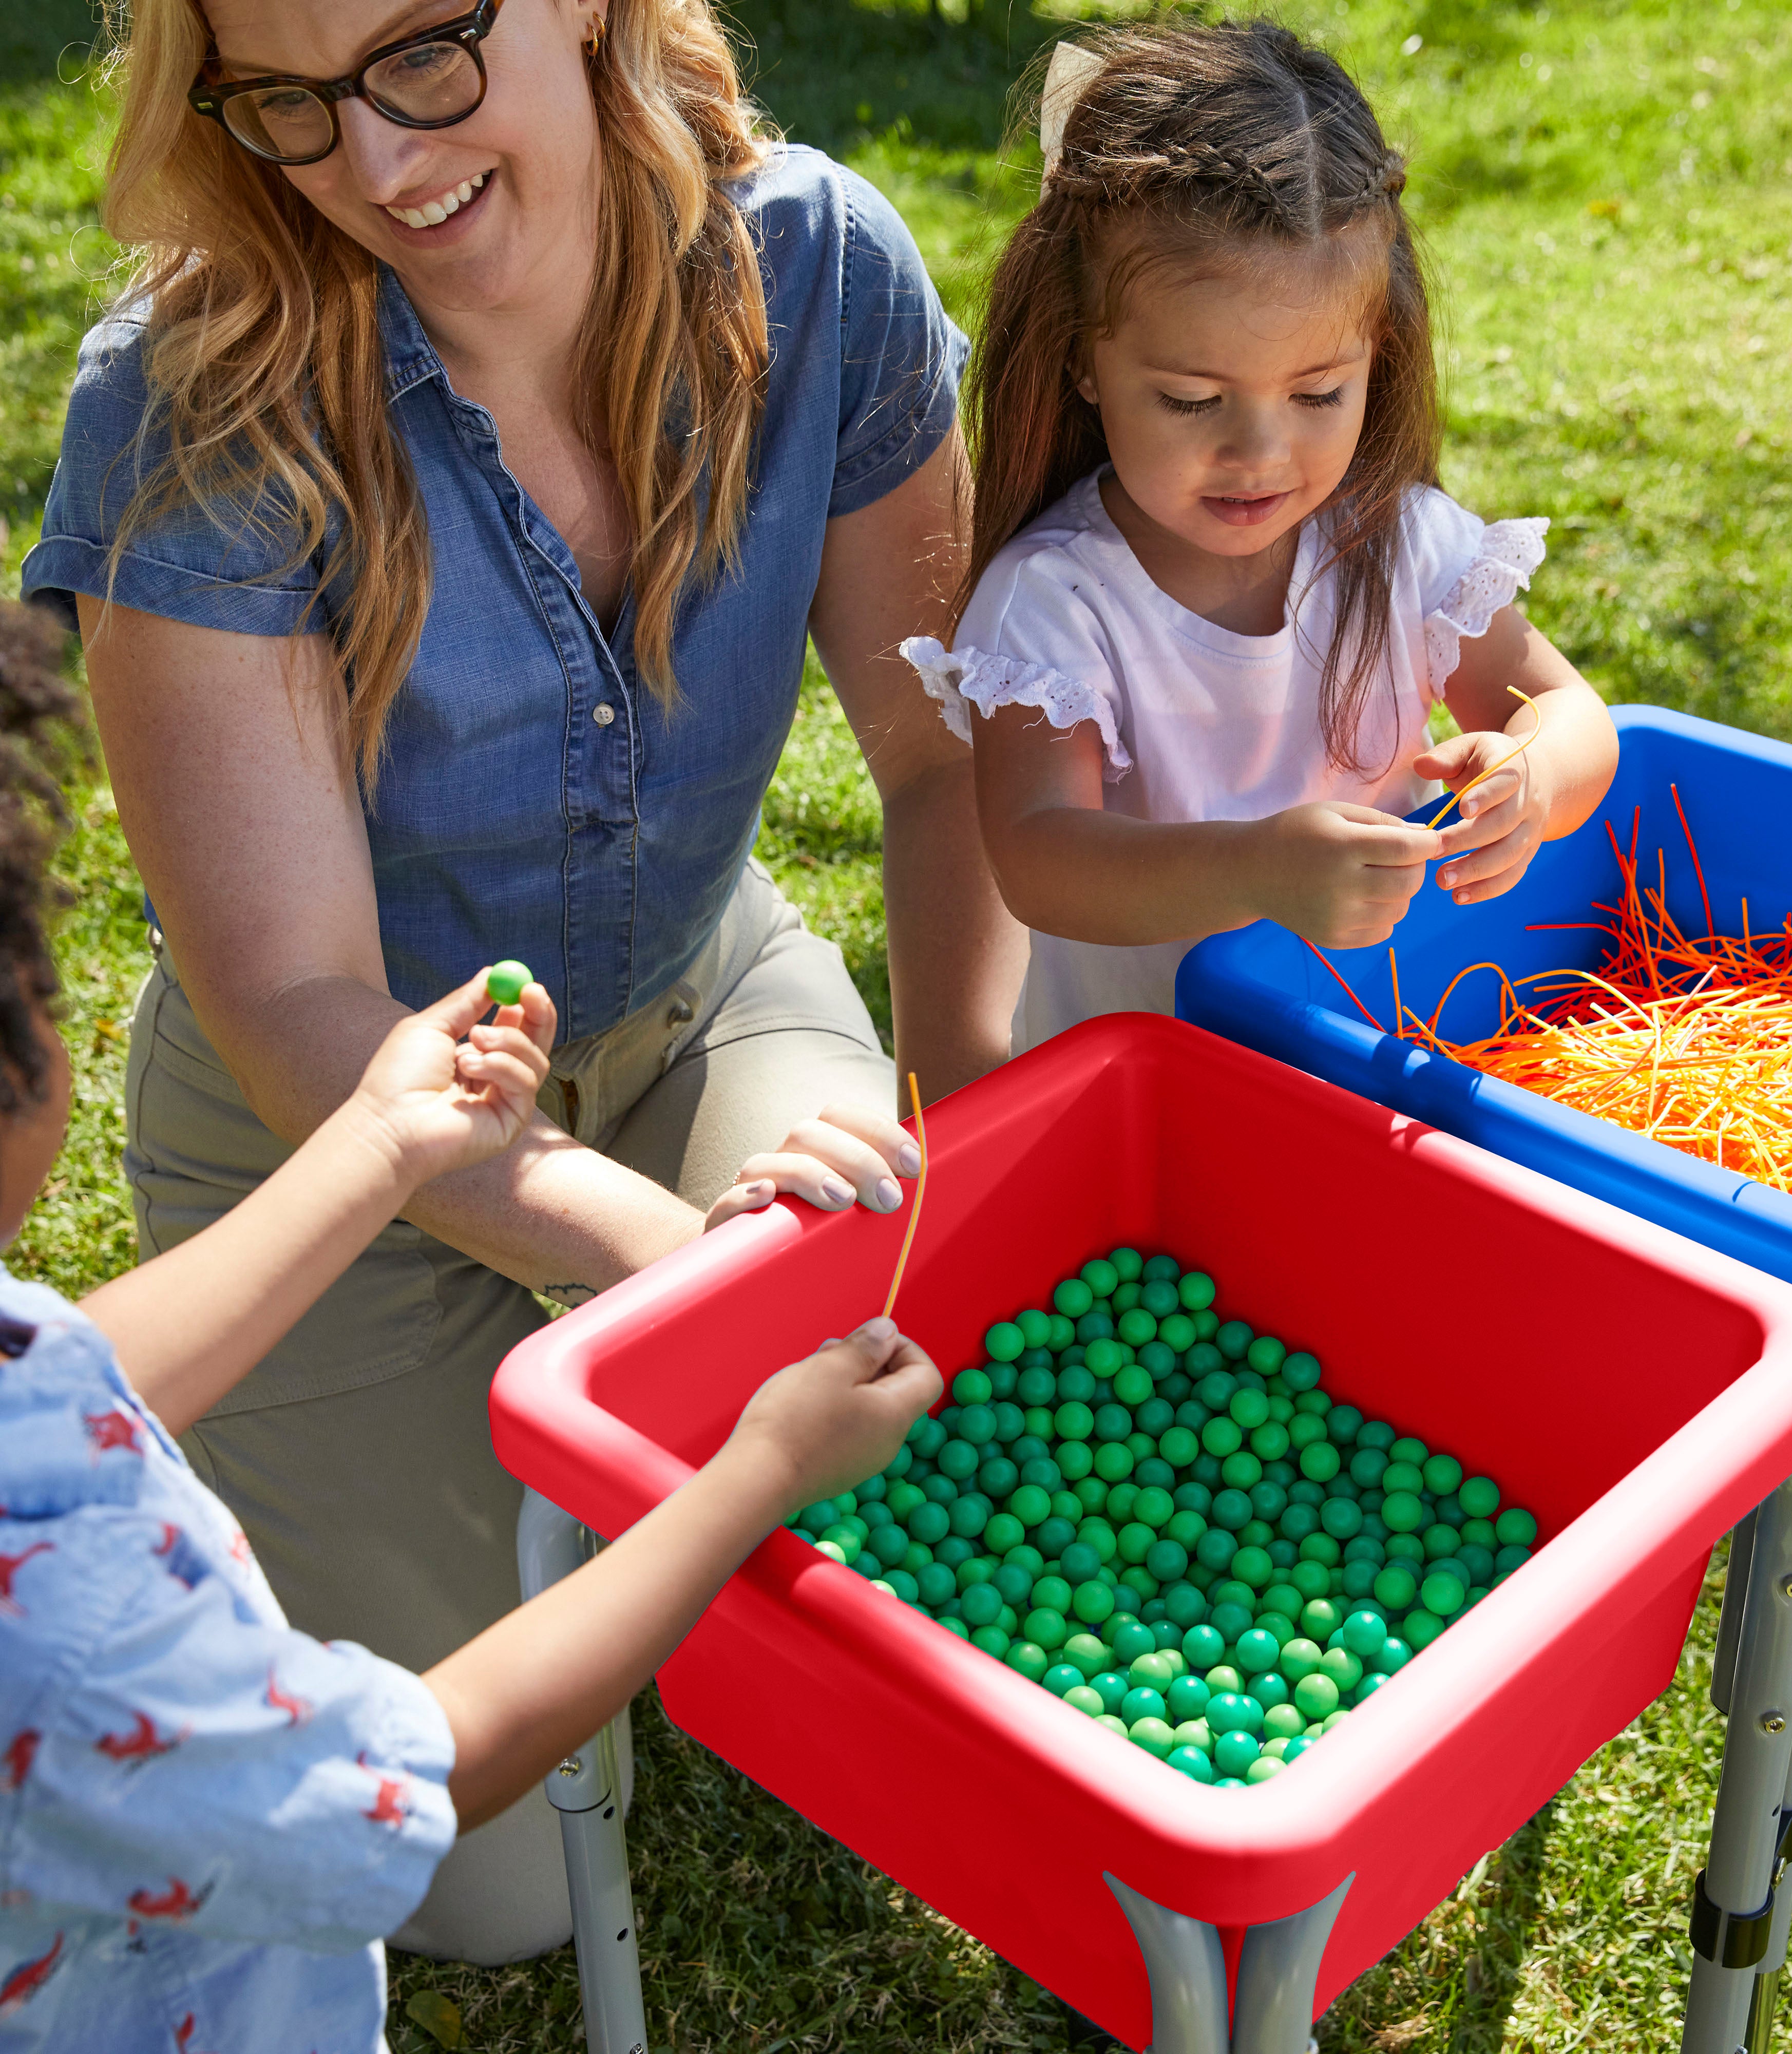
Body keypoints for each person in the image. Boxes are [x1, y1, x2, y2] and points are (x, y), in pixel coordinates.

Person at [21, 0, 1021, 1958]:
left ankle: (638, 1486)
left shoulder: (821, 270)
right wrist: (677, 1259)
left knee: (899, 1452)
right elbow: (306, 1005)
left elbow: (941, 760)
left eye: (423, 57)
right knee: (486, 1900)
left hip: (691, 1007)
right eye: (289, 106)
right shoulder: (189, 397)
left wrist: (968, 1122)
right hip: (332, 1144)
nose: (381, 166)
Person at [0, 600, 942, 2053]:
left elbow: (74, 1373)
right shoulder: (74, 1633)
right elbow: (425, 1768)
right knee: (489, 1890)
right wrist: (751, 1474)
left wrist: (378, 1143)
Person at [901, 21, 1618, 1051]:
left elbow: (1566, 707)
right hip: (1154, 1095)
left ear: (1377, 352)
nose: (1260, 450)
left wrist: (1530, 777)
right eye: (1192, 400)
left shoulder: (1398, 542)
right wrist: (1254, 867)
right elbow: (1037, 856)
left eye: (1318, 391)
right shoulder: (1057, 601)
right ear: (1083, 362)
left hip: (1373, 1057)